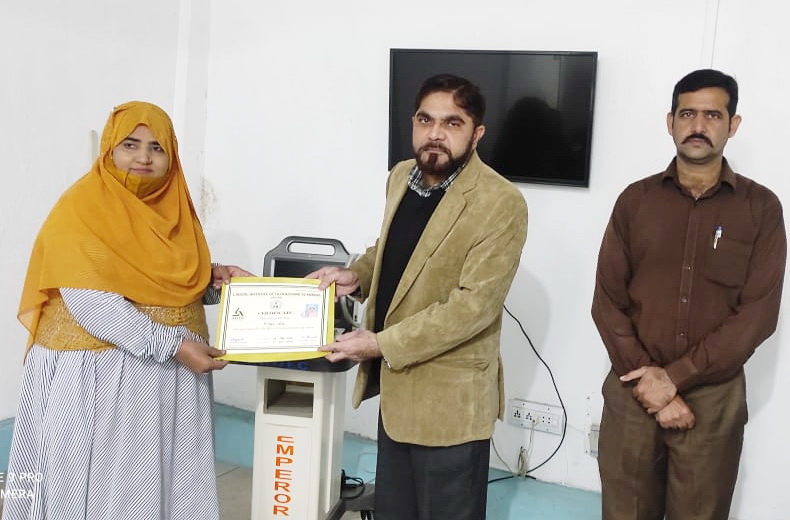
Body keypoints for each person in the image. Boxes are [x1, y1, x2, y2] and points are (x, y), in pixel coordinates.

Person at [3, 101, 252, 520]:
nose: (144, 158)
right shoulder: (81, 209)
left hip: (164, 377)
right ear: (109, 149)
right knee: (104, 491)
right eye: (130, 145)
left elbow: (165, 282)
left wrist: (213, 281)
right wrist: (174, 345)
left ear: (172, 156)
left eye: (157, 148)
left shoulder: (175, 212)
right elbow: (92, 303)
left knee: (162, 490)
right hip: (100, 379)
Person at [308, 74, 528, 519]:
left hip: (451, 405)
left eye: (452, 123)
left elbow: (473, 308)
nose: (435, 134)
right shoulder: (400, 177)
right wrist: (357, 275)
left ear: (477, 133)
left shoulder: (500, 202)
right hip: (397, 395)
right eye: (426, 120)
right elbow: (392, 249)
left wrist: (379, 343)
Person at [592, 69, 786, 520]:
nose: (698, 125)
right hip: (633, 389)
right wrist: (651, 383)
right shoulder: (635, 201)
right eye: (687, 114)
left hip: (713, 397)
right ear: (670, 122)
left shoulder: (761, 209)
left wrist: (676, 378)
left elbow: (758, 314)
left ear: (733, 124)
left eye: (712, 115)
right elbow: (607, 301)